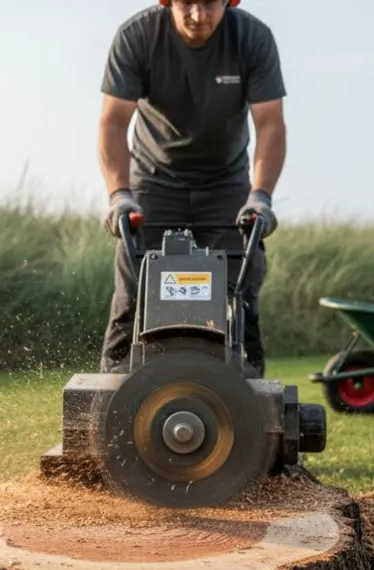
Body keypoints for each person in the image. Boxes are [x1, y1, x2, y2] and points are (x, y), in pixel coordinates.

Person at [96, 0, 287, 376]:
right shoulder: (137, 36)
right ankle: (111, 399)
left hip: (226, 185)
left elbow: (270, 123)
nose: (198, 15)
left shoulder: (252, 37)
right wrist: (119, 196)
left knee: (240, 293)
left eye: (210, 4)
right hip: (153, 181)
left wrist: (260, 198)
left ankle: (249, 397)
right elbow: (113, 121)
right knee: (133, 293)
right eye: (186, 3)